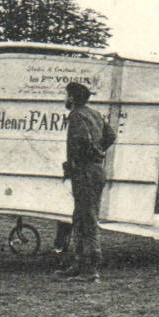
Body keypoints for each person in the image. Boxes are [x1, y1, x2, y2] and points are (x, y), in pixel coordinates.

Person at [55, 82, 116, 283]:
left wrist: (86, 157)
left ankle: (90, 269)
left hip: (85, 172)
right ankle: (78, 264)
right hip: (93, 170)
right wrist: (99, 151)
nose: (65, 98)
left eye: (67, 95)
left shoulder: (76, 115)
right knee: (80, 217)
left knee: (87, 219)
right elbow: (111, 135)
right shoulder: (94, 114)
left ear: (72, 98)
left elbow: (83, 143)